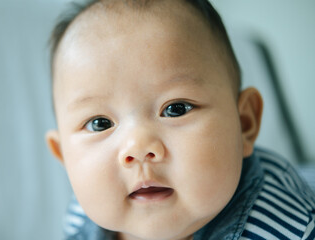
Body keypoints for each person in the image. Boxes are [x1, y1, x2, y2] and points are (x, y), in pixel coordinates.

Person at [45, 0, 315, 239]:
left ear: (244, 123)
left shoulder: (287, 228)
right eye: (99, 123)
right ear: (65, 157)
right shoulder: (82, 215)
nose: (138, 148)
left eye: (175, 108)